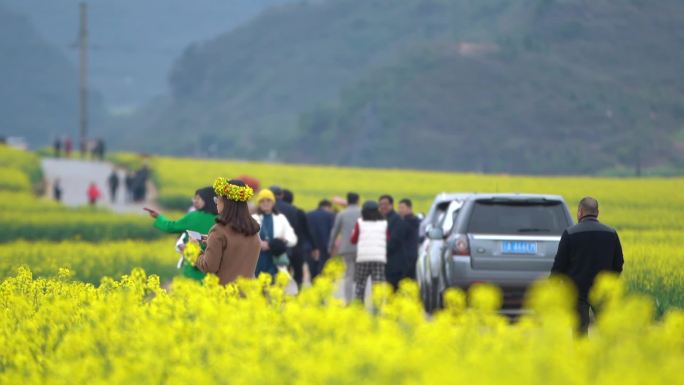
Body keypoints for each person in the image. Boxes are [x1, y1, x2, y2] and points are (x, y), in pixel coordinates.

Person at [551, 197, 624, 334]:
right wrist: (609, 282)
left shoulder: (570, 234)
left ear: (580, 212)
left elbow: (559, 266)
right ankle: (605, 355)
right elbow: (618, 263)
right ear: (597, 212)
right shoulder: (611, 233)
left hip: (577, 292)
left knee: (580, 331)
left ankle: (581, 355)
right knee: (606, 331)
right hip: (602, 290)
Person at [195, 179, 261, 285]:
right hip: (248, 296)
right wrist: (211, 242)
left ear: (226, 202)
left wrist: (193, 250)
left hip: (223, 296)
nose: (216, 203)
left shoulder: (218, 231)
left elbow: (209, 267)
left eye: (218, 199)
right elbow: (236, 252)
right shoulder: (254, 231)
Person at [145, 186, 218, 281]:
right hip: (214, 273)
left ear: (207, 200)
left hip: (193, 267)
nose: (194, 201)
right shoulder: (221, 219)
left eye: (198, 198)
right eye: (194, 198)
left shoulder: (193, 217)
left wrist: (159, 217)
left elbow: (171, 227)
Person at [252, 189, 298, 278]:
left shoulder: (281, 218)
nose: (265, 203)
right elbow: (246, 237)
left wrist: (279, 242)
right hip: (257, 259)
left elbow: (292, 238)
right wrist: (259, 244)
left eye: (268, 200)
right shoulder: (253, 218)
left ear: (273, 202)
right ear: (259, 203)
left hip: (276, 260)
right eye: (262, 201)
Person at [350, 201, 388, 302]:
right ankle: (377, 310)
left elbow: (353, 240)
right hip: (379, 259)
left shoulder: (359, 222)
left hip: (363, 258)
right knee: (377, 286)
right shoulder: (384, 223)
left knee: (360, 285)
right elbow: (387, 238)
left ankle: (358, 308)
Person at [281, 188, 319, 288]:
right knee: (298, 274)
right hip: (297, 248)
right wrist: (314, 247)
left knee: (283, 273)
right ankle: (297, 292)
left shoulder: (276, 211)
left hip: (281, 247)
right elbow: (307, 232)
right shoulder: (298, 212)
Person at [328, 192, 362, 303]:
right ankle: (359, 300)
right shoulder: (363, 212)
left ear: (347, 200)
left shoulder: (342, 214)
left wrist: (330, 246)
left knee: (349, 275)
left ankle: (348, 301)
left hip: (346, 248)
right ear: (358, 200)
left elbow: (335, 231)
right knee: (360, 275)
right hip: (362, 248)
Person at [379, 194, 409, 290]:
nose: (383, 207)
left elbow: (394, 241)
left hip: (396, 262)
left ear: (391, 205)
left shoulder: (396, 219)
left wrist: (381, 250)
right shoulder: (382, 219)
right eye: (381, 204)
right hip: (388, 262)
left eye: (385, 204)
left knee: (393, 289)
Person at [306, 199, 336, 280]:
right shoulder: (330, 216)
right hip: (325, 247)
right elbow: (334, 232)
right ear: (328, 207)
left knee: (313, 271)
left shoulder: (308, 215)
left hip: (310, 247)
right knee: (323, 271)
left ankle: (314, 287)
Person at [398, 198, 421, 280]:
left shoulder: (411, 221)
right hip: (410, 254)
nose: (400, 210)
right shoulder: (413, 220)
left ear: (409, 208)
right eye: (399, 208)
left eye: (402, 208)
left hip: (408, 255)